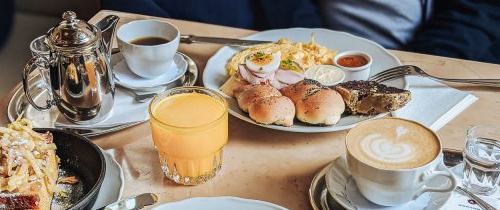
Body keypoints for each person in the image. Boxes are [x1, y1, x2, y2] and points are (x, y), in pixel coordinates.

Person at [102, 0, 500, 63]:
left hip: (426, 49)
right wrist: (319, 50)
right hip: (318, 41)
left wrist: (418, 62)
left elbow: (478, 11)